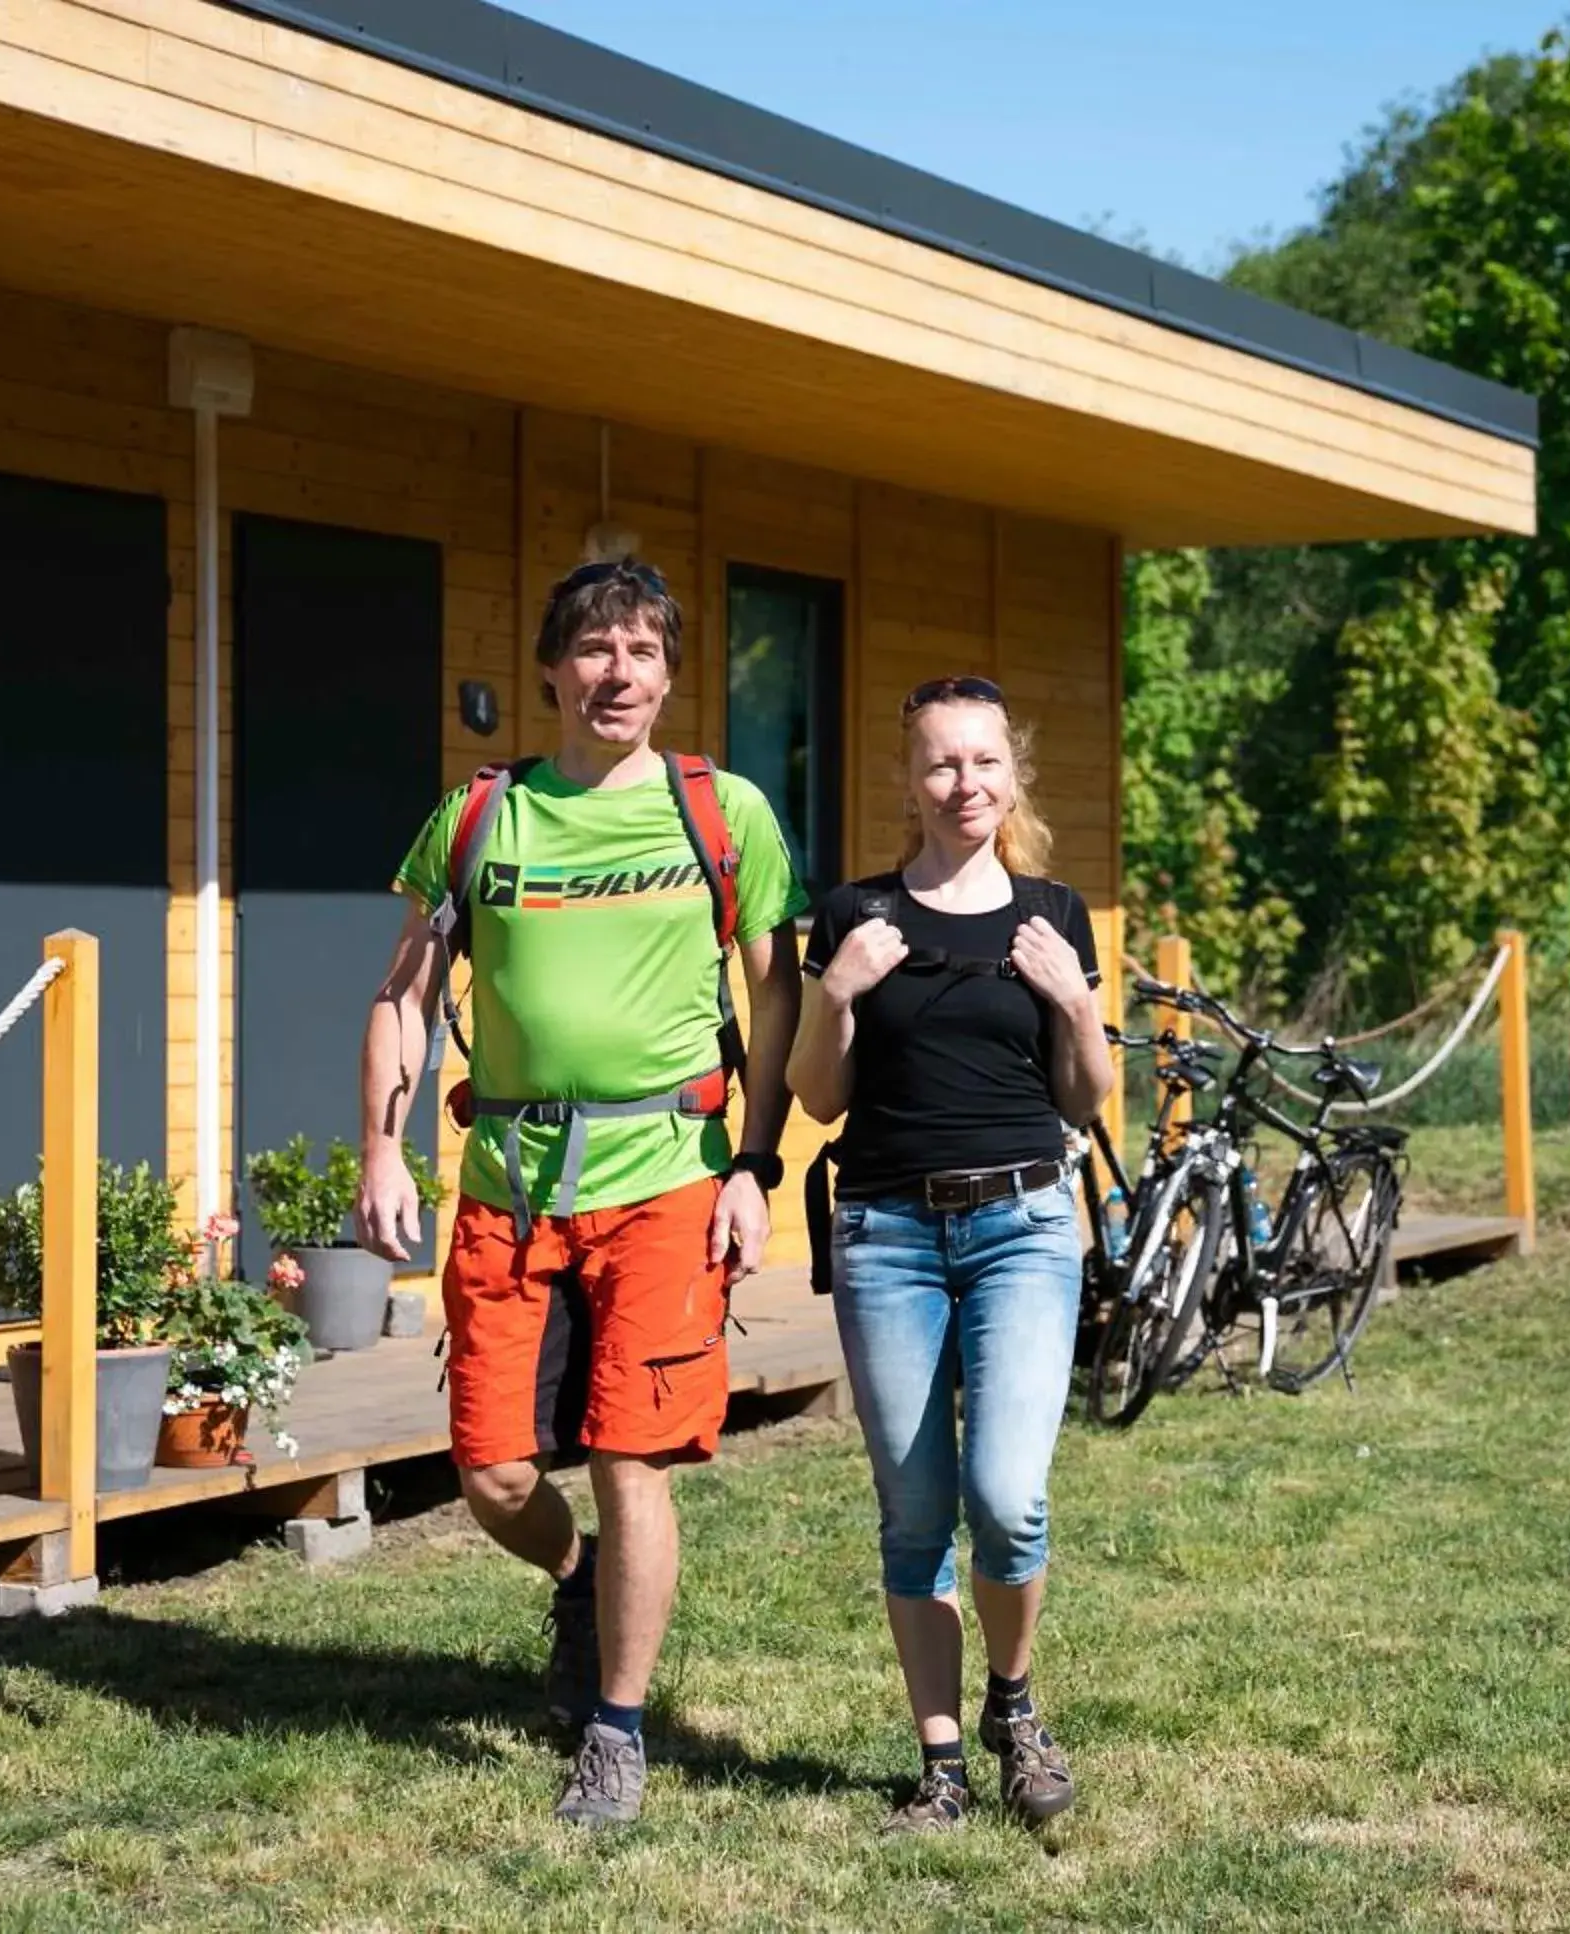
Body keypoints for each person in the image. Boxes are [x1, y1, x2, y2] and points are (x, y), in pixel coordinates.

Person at [355, 556, 804, 1828]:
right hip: (507, 1181)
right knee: (490, 1468)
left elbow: (778, 994)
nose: (621, 674)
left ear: (668, 674)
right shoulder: (480, 818)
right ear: (553, 668)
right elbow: (400, 994)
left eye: (646, 652)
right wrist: (381, 1151)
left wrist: (756, 1165)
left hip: (666, 1177)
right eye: (598, 650)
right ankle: (581, 1577)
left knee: (628, 1453)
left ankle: (615, 1729)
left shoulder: (725, 815)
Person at [787, 673, 1115, 1834]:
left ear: (1012, 774)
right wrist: (839, 991)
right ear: (909, 779)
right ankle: (940, 1763)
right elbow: (817, 1097)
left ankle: (1013, 1700)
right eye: (941, 762)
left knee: (1007, 1497)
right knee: (915, 1510)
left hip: (1025, 1224)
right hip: (888, 1235)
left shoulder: (1053, 913)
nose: (963, 782)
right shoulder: (855, 914)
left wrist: (1073, 1004)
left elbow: (1087, 1093)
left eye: (984, 760)